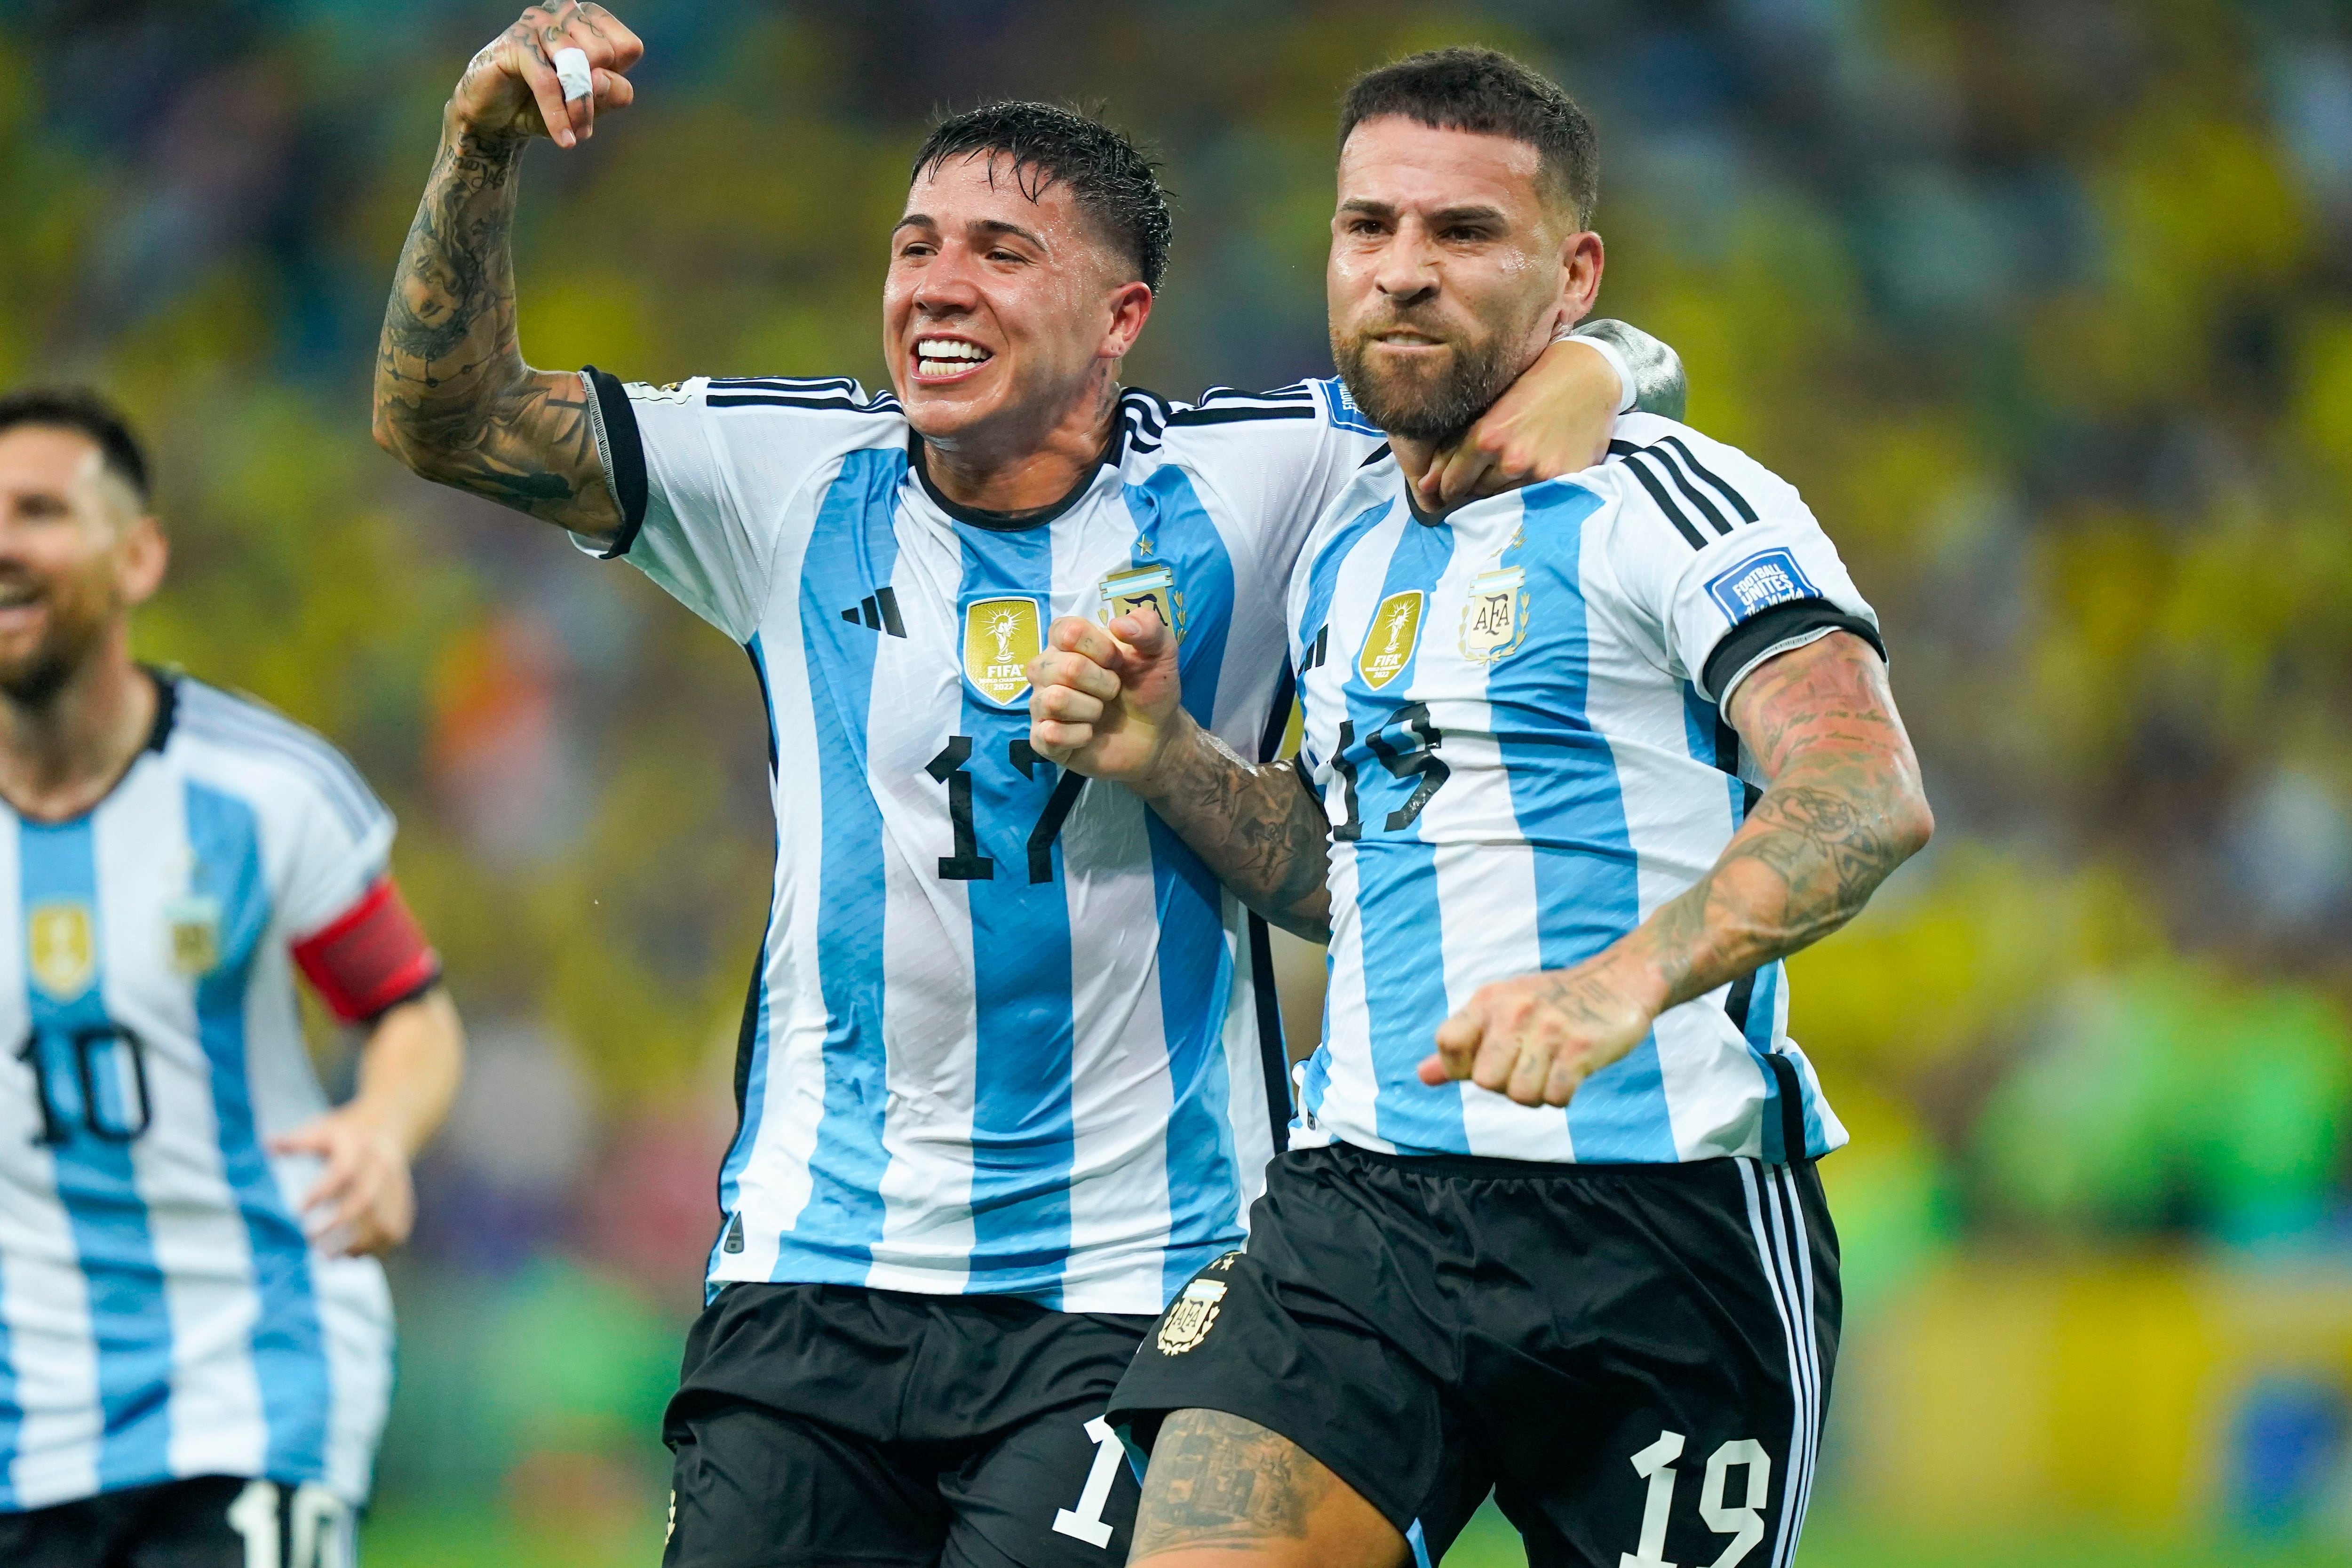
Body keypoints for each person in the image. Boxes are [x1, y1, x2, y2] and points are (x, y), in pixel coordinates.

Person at [371, 8, 1686, 1567]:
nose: (937, 284)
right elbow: (443, 419)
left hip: (1134, 1286)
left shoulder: (1255, 478)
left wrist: (1601, 360)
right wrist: (475, 146)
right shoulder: (789, 478)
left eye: (1001, 252)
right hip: (810, 1274)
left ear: (1121, 316)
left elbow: (1526, 372)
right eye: (915, 247)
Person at [1028, 47, 1935, 1568]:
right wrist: (1167, 754)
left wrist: (1616, 984)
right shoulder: (1345, 539)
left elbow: (1865, 786)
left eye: (1463, 231)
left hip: (1664, 1227)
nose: (1403, 269)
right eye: (1368, 226)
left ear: (1572, 274)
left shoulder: (1678, 502)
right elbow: (1344, 876)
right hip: (1361, 1213)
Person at [0, 389, 464, 1568]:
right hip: (21, 1411)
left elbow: (406, 1008)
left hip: (249, 1371)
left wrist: (381, 1128)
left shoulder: (260, 791)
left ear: (138, 554)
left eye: (40, 511)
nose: (3, 544)